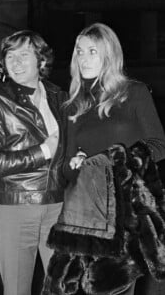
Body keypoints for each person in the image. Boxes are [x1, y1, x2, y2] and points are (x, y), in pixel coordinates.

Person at [42, 22, 165, 295]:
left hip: (126, 211)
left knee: (116, 287)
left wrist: (119, 160)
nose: (84, 58)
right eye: (80, 51)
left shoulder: (134, 93)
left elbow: (159, 145)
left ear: (109, 55)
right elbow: (66, 169)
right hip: (87, 213)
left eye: (93, 51)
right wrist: (75, 164)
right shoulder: (74, 104)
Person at [0, 30, 67, 295]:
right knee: (17, 289)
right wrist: (42, 151)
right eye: (10, 56)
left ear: (40, 60)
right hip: (16, 208)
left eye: (24, 54)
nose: (15, 62)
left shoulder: (61, 97)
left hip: (60, 207)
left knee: (63, 287)